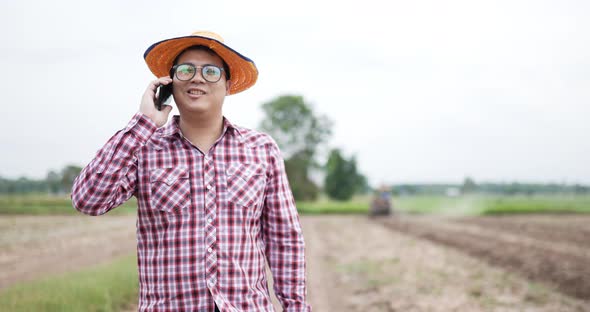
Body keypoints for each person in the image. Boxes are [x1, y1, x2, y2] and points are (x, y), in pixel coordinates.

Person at [71, 31, 310, 312]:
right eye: (186, 70)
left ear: (228, 84)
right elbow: (88, 200)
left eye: (211, 71)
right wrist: (142, 124)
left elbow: (284, 239)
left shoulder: (261, 149)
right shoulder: (144, 148)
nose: (197, 78)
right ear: (169, 84)